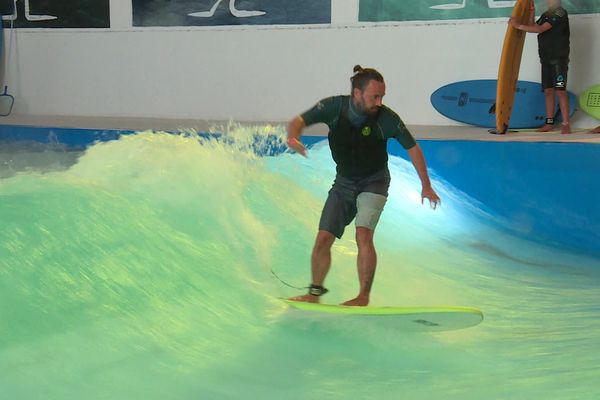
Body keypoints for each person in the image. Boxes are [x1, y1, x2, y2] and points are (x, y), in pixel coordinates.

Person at [286, 65, 441, 307]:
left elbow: (413, 147)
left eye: (382, 97)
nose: (379, 102)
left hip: (375, 180)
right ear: (357, 93)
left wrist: (426, 186)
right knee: (323, 238)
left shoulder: (387, 118)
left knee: (363, 234)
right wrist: (293, 137)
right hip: (344, 182)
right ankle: (314, 294)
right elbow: (299, 121)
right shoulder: (334, 107)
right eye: (375, 96)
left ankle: (362, 297)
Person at [510, 0, 571, 134]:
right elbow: (534, 26)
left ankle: (566, 124)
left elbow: (541, 29)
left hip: (558, 60)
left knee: (560, 91)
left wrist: (517, 25)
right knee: (548, 91)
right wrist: (532, 13)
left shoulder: (560, 12)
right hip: (546, 59)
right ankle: (549, 123)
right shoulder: (546, 14)